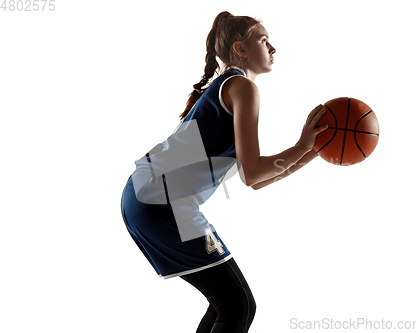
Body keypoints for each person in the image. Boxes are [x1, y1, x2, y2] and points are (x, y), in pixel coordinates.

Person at [120, 11, 328, 333]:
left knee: (228, 303)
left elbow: (254, 180)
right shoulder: (241, 86)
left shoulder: (229, 86)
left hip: (145, 195)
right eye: (263, 39)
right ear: (241, 49)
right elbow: (255, 172)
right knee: (237, 305)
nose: (273, 48)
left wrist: (312, 151)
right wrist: (302, 145)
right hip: (161, 201)